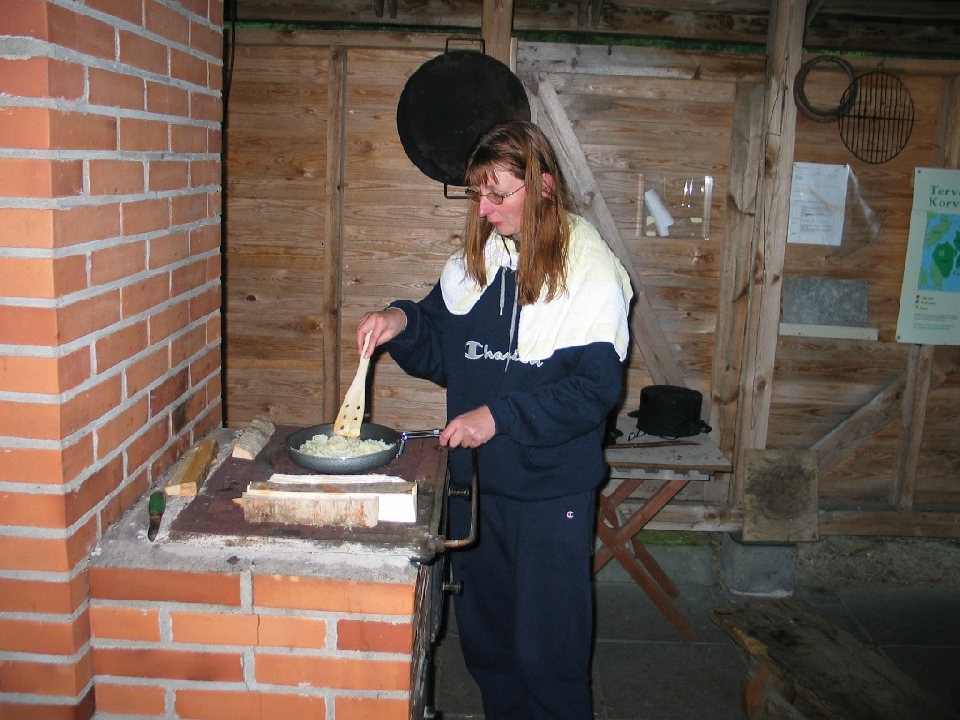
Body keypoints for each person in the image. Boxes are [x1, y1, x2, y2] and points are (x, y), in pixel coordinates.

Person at [356, 120, 633, 720]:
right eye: (477, 194)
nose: (483, 210)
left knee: (546, 654)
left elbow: (593, 390)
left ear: (544, 187)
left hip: (547, 490)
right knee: (488, 647)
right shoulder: (475, 260)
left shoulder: (590, 271)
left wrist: (500, 416)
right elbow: (441, 347)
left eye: (497, 193)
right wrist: (401, 321)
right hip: (475, 487)